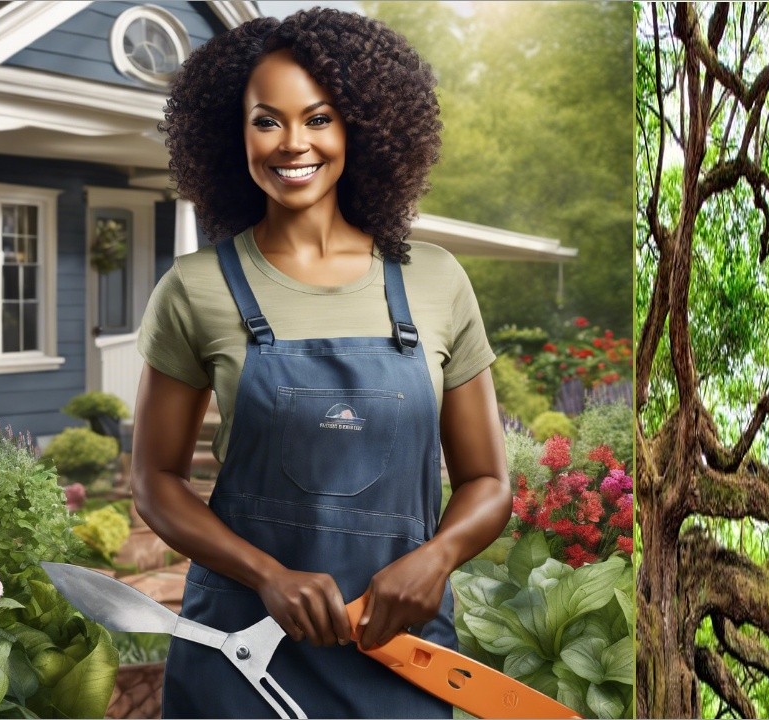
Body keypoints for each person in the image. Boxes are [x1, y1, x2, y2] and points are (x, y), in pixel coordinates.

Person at [132, 7, 511, 718]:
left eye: (319, 118)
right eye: (266, 121)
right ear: (233, 133)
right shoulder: (195, 289)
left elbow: (488, 481)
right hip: (239, 652)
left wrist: (435, 559)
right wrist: (267, 574)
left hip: (400, 657)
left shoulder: (436, 281)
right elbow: (154, 482)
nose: (292, 144)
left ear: (361, 127)